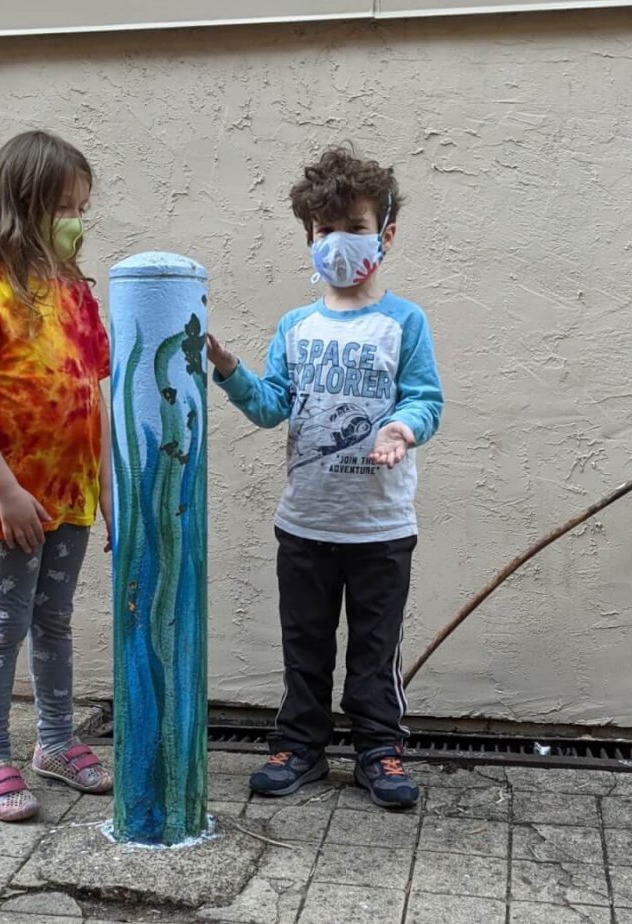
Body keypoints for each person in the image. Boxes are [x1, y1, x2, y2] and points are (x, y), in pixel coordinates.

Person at [207, 145, 443, 809]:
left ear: (386, 234)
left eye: (356, 228)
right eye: (323, 231)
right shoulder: (295, 326)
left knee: (375, 649)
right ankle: (299, 746)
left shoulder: (405, 322)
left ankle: (379, 749)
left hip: (382, 527)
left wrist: (404, 428)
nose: (339, 243)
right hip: (305, 524)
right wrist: (229, 370)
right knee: (304, 645)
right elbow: (270, 405)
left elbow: (426, 397)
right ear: (308, 238)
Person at [0, 130, 113, 822]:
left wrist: (109, 499)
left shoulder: (75, 294)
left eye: (82, 208)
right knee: (5, 621)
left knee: (55, 621)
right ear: (25, 204)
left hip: (72, 496)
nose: (76, 221)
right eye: (65, 207)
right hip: (15, 500)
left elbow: (90, 396)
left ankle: (54, 742)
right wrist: (6, 489)